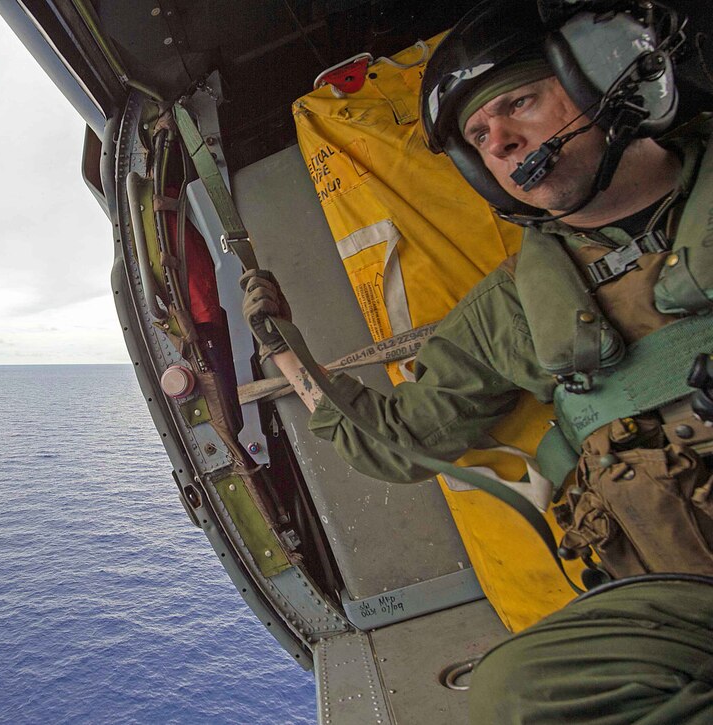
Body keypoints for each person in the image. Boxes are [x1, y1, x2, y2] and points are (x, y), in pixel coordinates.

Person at [242, 0, 713, 720]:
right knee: (516, 694)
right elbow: (398, 441)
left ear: (597, 77)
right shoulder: (518, 306)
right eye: (478, 136)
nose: (500, 142)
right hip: (685, 597)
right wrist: (284, 346)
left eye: (519, 102)